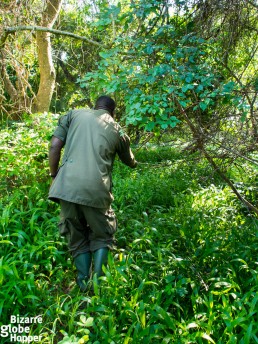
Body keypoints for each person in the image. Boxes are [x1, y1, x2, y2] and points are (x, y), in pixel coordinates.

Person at [48, 95, 137, 291]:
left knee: (76, 236)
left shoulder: (73, 115)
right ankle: (98, 286)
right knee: (103, 235)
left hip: (66, 187)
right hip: (97, 190)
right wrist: (135, 162)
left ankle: (82, 282)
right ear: (112, 112)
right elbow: (129, 160)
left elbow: (54, 145)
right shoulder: (116, 127)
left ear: (94, 107)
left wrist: (54, 175)